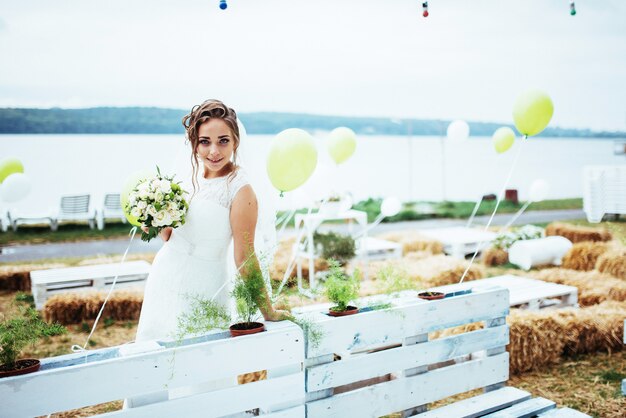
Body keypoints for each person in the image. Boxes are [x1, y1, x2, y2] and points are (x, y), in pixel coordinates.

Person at [134, 99, 287, 344]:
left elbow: (245, 256)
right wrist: (153, 219)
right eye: (205, 142)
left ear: (235, 142)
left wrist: (268, 310)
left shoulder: (240, 190)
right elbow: (168, 235)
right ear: (194, 143)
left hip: (203, 286)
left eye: (223, 141)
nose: (214, 151)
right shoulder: (187, 177)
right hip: (165, 275)